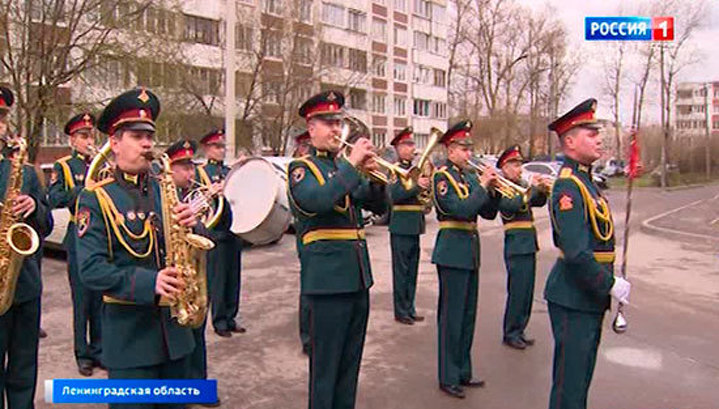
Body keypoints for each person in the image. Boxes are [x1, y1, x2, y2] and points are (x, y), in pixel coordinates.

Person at [75, 88, 198, 409]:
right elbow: (90, 270)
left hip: (176, 338)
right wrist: (150, 283)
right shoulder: (96, 198)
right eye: (136, 135)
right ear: (114, 143)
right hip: (130, 344)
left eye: (150, 135)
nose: (147, 143)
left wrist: (192, 226)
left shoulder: (165, 190)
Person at [287, 90, 386, 409]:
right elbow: (316, 201)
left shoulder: (343, 168)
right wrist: (353, 166)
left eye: (338, 123)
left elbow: (380, 205)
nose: (335, 130)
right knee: (325, 372)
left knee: (348, 368)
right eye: (327, 123)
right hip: (327, 283)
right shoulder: (302, 169)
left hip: (357, 280)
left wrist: (377, 178)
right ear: (311, 128)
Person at [545, 98, 631, 409]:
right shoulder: (568, 187)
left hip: (587, 295)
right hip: (573, 297)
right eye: (590, 133)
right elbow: (576, 251)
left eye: (598, 133)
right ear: (569, 141)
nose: (599, 138)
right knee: (570, 386)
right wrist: (608, 284)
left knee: (580, 383)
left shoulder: (586, 183)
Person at [431, 120, 498, 399]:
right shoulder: (442, 177)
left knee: (468, 316)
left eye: (469, 148)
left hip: (470, 252)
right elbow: (459, 209)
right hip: (452, 251)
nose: (468, 153)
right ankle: (447, 376)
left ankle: (462, 371)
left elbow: (489, 213)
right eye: (462, 148)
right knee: (452, 317)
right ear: (450, 149)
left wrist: (491, 189)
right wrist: (482, 187)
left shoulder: (469, 177)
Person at [0, 85, 54, 409]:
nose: (0, 125)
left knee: (23, 368)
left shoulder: (25, 172)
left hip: (24, 285)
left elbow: (47, 224)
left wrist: (34, 205)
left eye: (2, 117)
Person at [48, 112, 104, 376]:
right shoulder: (65, 166)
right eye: (83, 136)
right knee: (82, 298)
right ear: (72, 140)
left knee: (101, 297)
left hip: (101, 233)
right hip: (78, 230)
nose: (88, 141)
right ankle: (83, 354)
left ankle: (100, 349)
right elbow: (54, 198)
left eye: (90, 135)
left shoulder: (101, 164)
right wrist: (84, 191)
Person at [495, 145, 551, 350]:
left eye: (519, 165)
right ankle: (510, 332)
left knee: (527, 291)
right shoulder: (502, 188)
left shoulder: (521, 185)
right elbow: (510, 207)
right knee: (517, 291)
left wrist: (542, 190)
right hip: (516, 243)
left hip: (528, 242)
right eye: (515, 165)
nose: (519, 169)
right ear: (504, 167)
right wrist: (532, 189)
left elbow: (537, 201)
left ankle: (520, 328)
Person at [197, 129, 245, 338]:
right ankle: (219, 321)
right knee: (217, 279)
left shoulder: (229, 172)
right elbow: (195, 201)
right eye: (216, 147)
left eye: (222, 147)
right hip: (214, 232)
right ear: (207, 149)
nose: (221, 151)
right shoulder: (201, 173)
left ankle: (231, 316)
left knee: (233, 278)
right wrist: (210, 192)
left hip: (233, 229)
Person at [388, 127, 429, 325]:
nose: (412, 148)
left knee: (412, 272)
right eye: (408, 144)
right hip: (401, 225)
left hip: (414, 225)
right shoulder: (395, 169)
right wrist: (416, 186)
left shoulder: (415, 168)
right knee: (401, 272)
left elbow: (422, 197)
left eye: (412, 144)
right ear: (398, 148)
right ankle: (401, 311)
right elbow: (394, 194)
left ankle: (409, 307)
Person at [291, 131, 312, 356]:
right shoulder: (299, 169)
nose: (307, 149)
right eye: (304, 146)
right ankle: (307, 337)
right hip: (307, 234)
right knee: (308, 287)